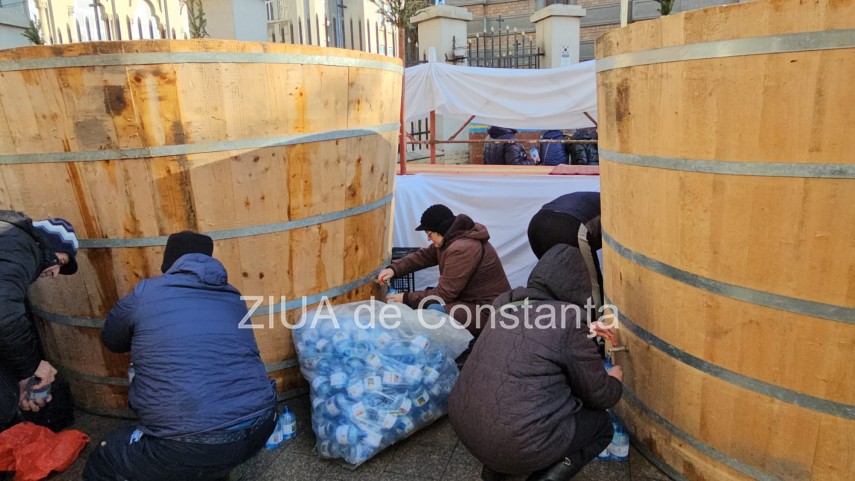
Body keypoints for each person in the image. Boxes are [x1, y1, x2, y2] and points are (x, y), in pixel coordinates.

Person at [83, 231, 277, 481]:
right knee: (209, 447)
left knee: (106, 457)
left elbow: (111, 339)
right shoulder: (233, 296)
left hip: (191, 445)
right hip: (263, 424)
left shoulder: (146, 293)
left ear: (170, 261)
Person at [448, 244, 623, 481]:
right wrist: (614, 379)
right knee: (600, 427)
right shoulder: (568, 318)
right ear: (577, 286)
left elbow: (532, 338)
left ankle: (496, 471)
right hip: (513, 440)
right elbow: (600, 395)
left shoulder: (505, 306)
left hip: (466, 424)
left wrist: (585, 331)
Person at [378, 204, 511, 336]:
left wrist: (405, 298)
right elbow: (424, 256)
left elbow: (444, 295)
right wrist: (394, 269)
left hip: (488, 310)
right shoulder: (451, 238)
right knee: (428, 301)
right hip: (471, 302)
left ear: (440, 229)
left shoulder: (462, 248)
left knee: (435, 311)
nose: (428, 238)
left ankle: (464, 346)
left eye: (429, 233)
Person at [1, 211, 78, 431]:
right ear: (47, 245)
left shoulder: (10, 241)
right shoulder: (21, 247)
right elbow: (5, 315)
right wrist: (29, 370)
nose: (55, 273)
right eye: (60, 261)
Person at [527, 191, 603, 310]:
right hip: (570, 224)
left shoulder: (595, 197)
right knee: (592, 287)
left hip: (538, 222)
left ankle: (549, 319)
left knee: (551, 280)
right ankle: (596, 324)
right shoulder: (617, 206)